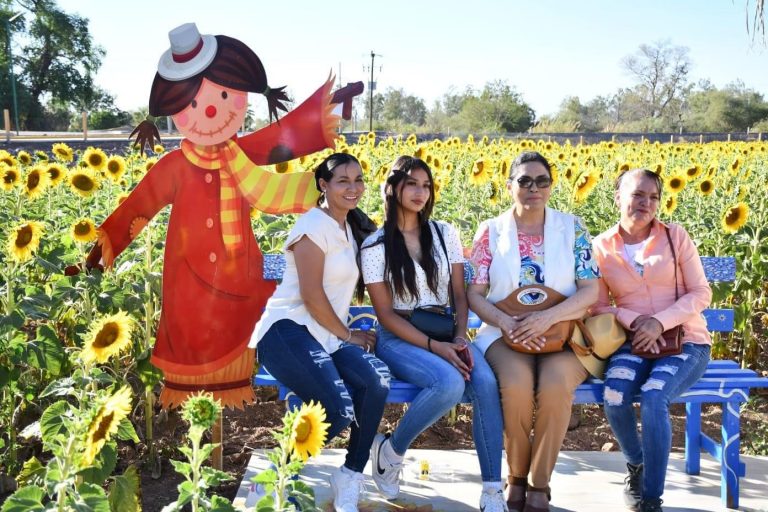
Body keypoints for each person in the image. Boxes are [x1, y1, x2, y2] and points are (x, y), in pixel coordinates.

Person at [75, 23, 361, 408]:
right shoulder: (175, 165)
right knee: (192, 346)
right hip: (188, 279)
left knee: (238, 340)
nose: (210, 109)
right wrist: (103, 248)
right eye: (192, 103)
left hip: (238, 274)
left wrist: (328, 109)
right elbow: (138, 208)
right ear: (174, 109)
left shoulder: (242, 153)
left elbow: (287, 136)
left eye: (224, 95)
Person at [361, 156, 507, 512]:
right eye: (412, 184)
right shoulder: (375, 246)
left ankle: (492, 491)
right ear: (393, 188)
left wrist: (458, 339)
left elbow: (459, 295)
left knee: (485, 383)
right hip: (399, 337)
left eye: (426, 186)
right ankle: (392, 451)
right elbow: (385, 315)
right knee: (449, 383)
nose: (420, 193)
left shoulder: (445, 234)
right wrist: (435, 347)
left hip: (447, 332)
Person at [250, 153, 388, 512]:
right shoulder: (312, 226)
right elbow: (311, 295)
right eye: (342, 180)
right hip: (287, 332)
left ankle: (350, 475)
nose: (353, 187)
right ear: (323, 186)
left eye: (358, 179)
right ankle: (280, 473)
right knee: (339, 411)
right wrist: (348, 335)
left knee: (377, 383)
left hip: (324, 336)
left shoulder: (349, 228)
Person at [466, 151, 600, 512]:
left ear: (551, 187)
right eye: (524, 181)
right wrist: (507, 323)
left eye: (542, 181)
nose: (533, 188)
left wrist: (546, 319)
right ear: (510, 186)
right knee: (516, 387)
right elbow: (474, 294)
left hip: (564, 334)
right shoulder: (490, 231)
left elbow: (591, 290)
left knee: (556, 388)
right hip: (503, 334)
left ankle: (540, 484)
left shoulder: (573, 228)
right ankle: (517, 478)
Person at [591, 168, 712, 512]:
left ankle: (650, 499)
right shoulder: (601, 247)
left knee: (654, 396)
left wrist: (659, 322)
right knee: (614, 396)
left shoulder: (676, 237)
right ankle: (636, 463)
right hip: (632, 343)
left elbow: (701, 292)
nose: (646, 203)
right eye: (637, 195)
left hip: (686, 340)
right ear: (618, 197)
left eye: (654, 197)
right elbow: (599, 305)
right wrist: (635, 320)